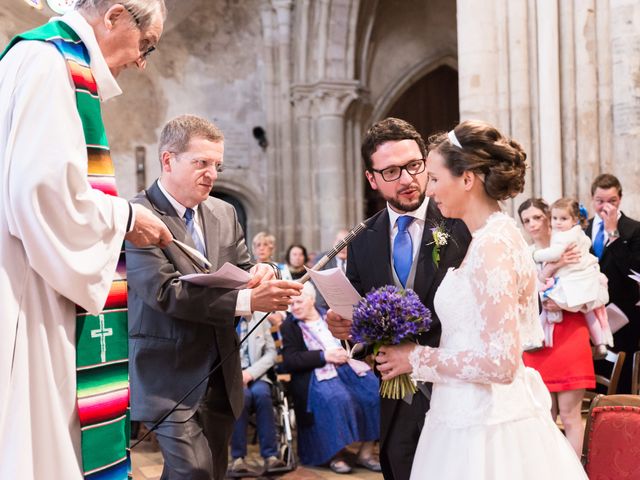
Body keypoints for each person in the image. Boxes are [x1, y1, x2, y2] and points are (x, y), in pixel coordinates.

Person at [0, 2, 173, 478]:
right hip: (29, 287)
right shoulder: (47, 62)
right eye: (148, 45)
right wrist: (126, 216)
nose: (142, 60)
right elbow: (41, 193)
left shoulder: (38, 59)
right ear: (115, 15)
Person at [376, 120, 587, 479]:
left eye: (436, 178)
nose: (430, 190)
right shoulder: (489, 239)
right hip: (461, 411)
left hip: (487, 426)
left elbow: (500, 364)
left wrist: (417, 358)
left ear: (467, 179)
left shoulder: (494, 246)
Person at [126, 115, 302, 480]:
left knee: (212, 471)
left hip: (222, 369)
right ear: (168, 160)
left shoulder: (224, 213)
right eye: (201, 162)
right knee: (194, 470)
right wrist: (247, 303)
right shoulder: (138, 215)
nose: (212, 174)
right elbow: (164, 292)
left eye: (216, 165)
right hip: (166, 373)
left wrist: (262, 274)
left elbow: (244, 266)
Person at [326, 117, 471, 480]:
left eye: (413, 165)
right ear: (372, 179)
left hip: (456, 394)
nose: (406, 179)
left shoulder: (460, 225)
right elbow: (358, 318)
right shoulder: (362, 240)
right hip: (393, 399)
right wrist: (345, 328)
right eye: (391, 171)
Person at [519, 198, 595, 456]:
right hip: (536, 342)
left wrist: (567, 302)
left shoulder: (572, 247)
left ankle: (574, 471)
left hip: (570, 334)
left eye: (538, 217)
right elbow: (517, 298)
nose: (533, 224)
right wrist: (551, 269)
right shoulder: (524, 255)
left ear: (549, 218)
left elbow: (594, 286)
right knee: (542, 415)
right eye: (526, 220)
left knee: (570, 414)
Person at [281, 283, 381, 474]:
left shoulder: (329, 315)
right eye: (291, 304)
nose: (295, 307)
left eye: (299, 301)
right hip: (315, 373)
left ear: (311, 299)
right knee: (336, 399)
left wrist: (351, 350)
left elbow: (353, 339)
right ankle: (336, 454)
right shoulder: (290, 325)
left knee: (374, 392)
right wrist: (324, 356)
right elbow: (290, 360)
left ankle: (366, 453)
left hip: (347, 367)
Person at [533, 198, 612, 353]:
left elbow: (554, 254)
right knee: (590, 314)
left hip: (573, 321)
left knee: (552, 300)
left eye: (563, 218)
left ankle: (537, 338)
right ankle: (601, 343)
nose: (558, 222)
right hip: (578, 282)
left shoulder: (562, 237)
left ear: (574, 220)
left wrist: (536, 256)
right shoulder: (579, 234)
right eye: (555, 218)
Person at [586, 173, 640, 393]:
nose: (605, 206)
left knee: (621, 380)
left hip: (624, 314)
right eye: (600, 201)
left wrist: (613, 234)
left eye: (611, 201)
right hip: (591, 314)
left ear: (620, 199)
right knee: (594, 376)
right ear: (592, 199)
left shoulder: (634, 229)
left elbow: (634, 270)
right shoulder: (583, 229)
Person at [229, 313, 284, 475]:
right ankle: (238, 458)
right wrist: (238, 376)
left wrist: (250, 374)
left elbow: (272, 353)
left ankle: (271, 456)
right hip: (234, 377)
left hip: (258, 375)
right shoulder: (227, 318)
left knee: (263, 395)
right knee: (243, 398)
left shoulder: (261, 318)